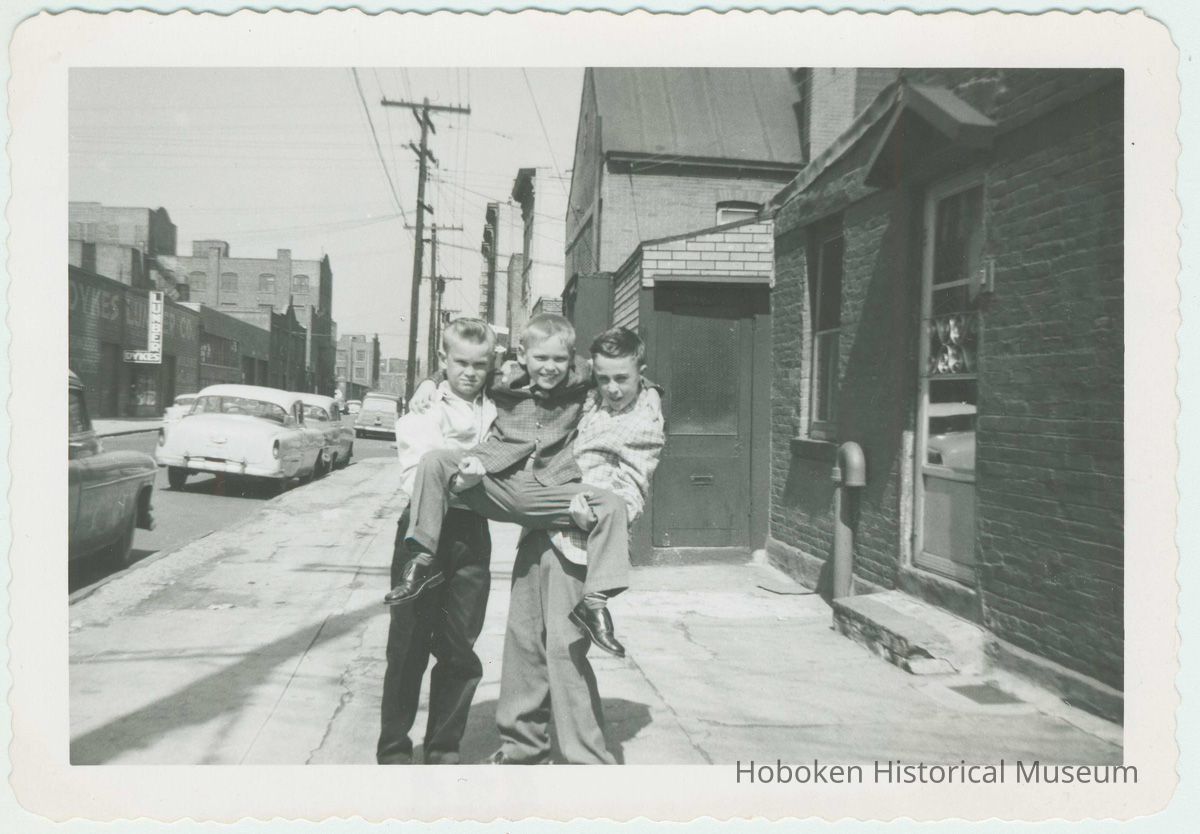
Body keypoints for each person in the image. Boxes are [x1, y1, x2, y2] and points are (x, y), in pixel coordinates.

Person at [386, 314, 633, 657]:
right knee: (434, 461)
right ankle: (422, 560)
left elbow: (624, 375)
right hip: (495, 483)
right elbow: (464, 364)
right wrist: (431, 380)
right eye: (540, 358)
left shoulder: (582, 379)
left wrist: (649, 391)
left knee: (611, 505)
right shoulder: (501, 376)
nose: (550, 367)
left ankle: (594, 604)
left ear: (572, 358)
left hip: (547, 487)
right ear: (521, 354)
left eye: (559, 359)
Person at [494, 326, 664, 765]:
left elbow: (632, 484)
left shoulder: (643, 419)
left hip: (578, 542)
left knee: (564, 650)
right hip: (540, 530)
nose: (612, 388)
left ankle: (587, 760)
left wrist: (601, 511)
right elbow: (533, 375)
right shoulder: (590, 395)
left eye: (622, 379)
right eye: (604, 377)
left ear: (641, 374)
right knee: (522, 642)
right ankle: (522, 746)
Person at [376, 317, 498, 765]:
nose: (469, 372)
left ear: (491, 365)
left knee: (459, 650)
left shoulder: (498, 407)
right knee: (407, 648)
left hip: (470, 536)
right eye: (460, 362)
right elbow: (418, 477)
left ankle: (444, 752)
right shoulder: (422, 412)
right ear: (443, 361)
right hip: (423, 532)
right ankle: (393, 751)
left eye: (480, 364)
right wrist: (471, 476)